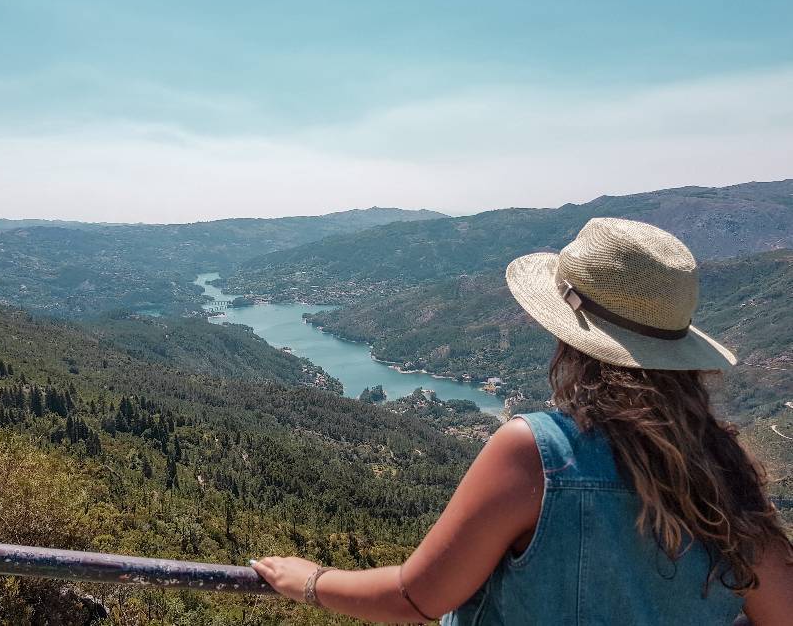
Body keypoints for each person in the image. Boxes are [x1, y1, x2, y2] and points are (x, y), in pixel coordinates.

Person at [252, 218, 793, 624]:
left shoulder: (537, 452)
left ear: (571, 340)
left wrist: (312, 581)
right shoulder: (726, 471)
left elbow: (417, 599)